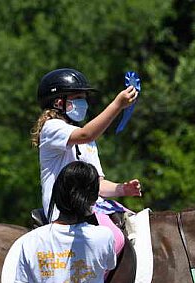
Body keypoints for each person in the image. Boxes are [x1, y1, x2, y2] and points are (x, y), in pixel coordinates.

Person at [31, 67, 142, 256]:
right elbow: (85, 133)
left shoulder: (88, 141)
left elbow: (97, 185)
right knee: (114, 238)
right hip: (65, 212)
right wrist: (117, 104)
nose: (83, 103)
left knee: (138, 226)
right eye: (77, 98)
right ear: (59, 102)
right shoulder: (51, 128)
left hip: (91, 206)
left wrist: (122, 189)